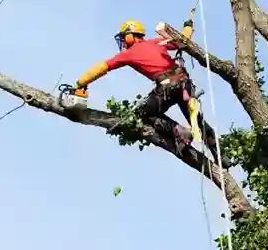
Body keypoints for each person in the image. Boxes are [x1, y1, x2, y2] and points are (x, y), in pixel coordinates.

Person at [71, 18, 228, 166]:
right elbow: (183, 40)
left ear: (130, 35)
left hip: (167, 87)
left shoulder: (128, 53)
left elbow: (103, 67)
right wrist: (188, 27)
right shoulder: (157, 41)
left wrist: (80, 82)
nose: (123, 42)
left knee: (143, 113)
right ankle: (222, 156)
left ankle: (179, 131)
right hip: (184, 84)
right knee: (196, 119)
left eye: (124, 37)